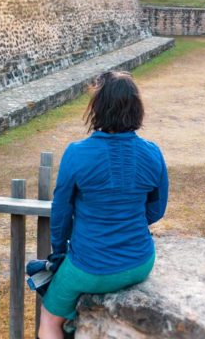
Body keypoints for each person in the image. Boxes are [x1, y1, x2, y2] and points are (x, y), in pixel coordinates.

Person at [39, 71, 169, 339]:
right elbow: (156, 209)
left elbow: (61, 213)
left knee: (49, 318)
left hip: (91, 265)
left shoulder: (77, 153)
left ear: (97, 107)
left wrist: (59, 253)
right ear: (136, 108)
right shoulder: (152, 152)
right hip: (140, 261)